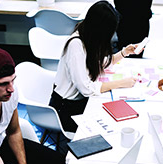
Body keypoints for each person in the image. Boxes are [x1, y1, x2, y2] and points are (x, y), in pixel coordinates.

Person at [50, 1, 142, 132]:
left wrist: (124, 52)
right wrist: (120, 83)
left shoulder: (87, 38)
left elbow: (99, 64)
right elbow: (86, 89)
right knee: (110, 125)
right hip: (66, 108)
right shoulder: (76, 45)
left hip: (79, 102)